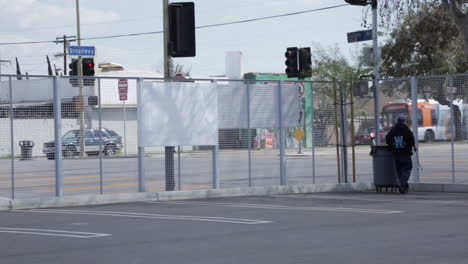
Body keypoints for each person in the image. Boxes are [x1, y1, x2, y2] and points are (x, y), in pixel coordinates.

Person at [385, 116, 417, 194]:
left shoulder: (393, 129)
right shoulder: (407, 129)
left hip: (396, 153)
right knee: (407, 169)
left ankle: (403, 187)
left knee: (399, 170)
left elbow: (387, 138)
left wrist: (392, 146)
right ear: (404, 121)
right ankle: (402, 183)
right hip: (406, 153)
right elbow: (411, 140)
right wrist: (411, 146)